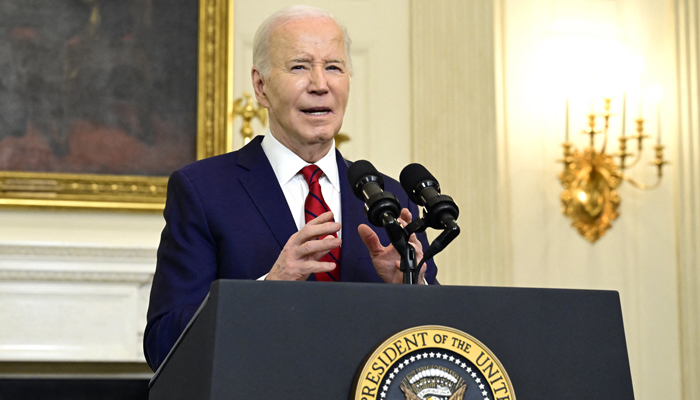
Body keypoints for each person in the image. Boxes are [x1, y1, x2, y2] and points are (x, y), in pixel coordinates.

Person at [144, 5, 438, 371]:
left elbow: (434, 343)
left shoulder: (389, 199)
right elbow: (163, 343)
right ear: (261, 86)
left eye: (334, 67)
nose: (320, 84)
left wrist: (409, 288)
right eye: (300, 66)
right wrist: (268, 288)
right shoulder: (203, 191)